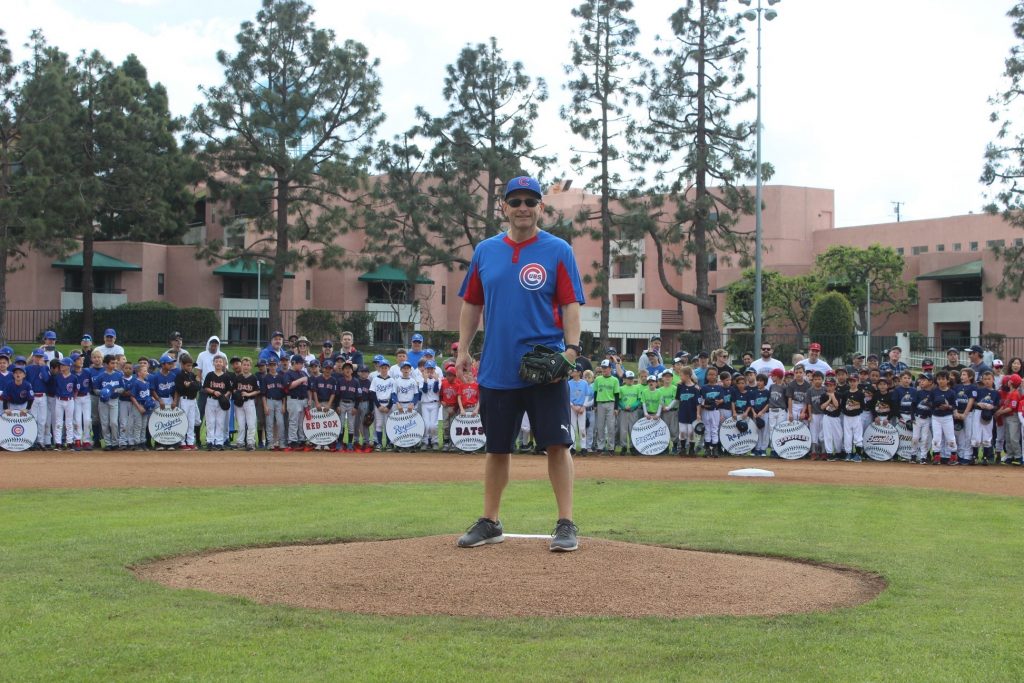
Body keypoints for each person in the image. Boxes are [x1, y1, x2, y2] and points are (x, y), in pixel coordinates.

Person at [455, 175, 584, 553]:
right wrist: (463, 349)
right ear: (504, 208)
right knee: (497, 448)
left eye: (531, 201)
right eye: (516, 201)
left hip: (544, 365)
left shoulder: (557, 250)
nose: (523, 207)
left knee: (557, 445)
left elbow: (570, 303)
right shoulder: (486, 251)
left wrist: (572, 350)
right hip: (497, 366)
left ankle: (565, 523)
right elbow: (471, 303)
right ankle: (491, 521)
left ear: (541, 207)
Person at [172, 354, 201, 450]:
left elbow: (198, 387)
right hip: (184, 399)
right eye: (188, 365)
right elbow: (179, 389)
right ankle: (182, 441)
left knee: (191, 422)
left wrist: (190, 384)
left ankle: (190, 441)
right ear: (182, 365)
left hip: (192, 400)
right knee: (183, 421)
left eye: (191, 365)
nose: (190, 367)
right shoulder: (180, 375)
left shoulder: (192, 375)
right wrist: (187, 385)